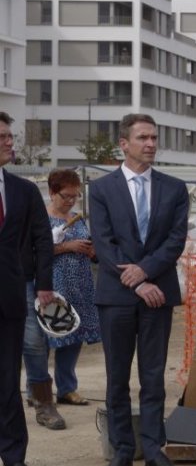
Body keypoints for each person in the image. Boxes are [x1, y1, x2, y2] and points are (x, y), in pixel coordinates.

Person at [90, 114, 190, 466]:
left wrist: (145, 272)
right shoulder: (101, 190)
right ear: (124, 144)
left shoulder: (174, 189)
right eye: (143, 138)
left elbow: (175, 240)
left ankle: (153, 452)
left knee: (153, 377)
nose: (150, 144)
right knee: (117, 378)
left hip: (157, 295)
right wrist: (135, 282)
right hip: (117, 297)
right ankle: (120, 452)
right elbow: (103, 242)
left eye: (154, 138)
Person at [23, 169, 102, 429]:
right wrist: (65, 247)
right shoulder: (39, 218)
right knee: (42, 338)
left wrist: (91, 252)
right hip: (51, 285)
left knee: (73, 335)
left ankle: (67, 387)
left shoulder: (77, 218)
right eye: (66, 196)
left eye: (75, 197)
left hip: (78, 283)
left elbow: (89, 244)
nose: (70, 201)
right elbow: (33, 254)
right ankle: (36, 389)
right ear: (52, 192)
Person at [0, 112, 54, 466]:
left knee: (7, 380)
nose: (9, 141)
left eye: (8, 135)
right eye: (2, 136)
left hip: (10, 298)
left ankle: (13, 458)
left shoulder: (24, 191)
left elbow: (42, 241)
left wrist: (44, 285)